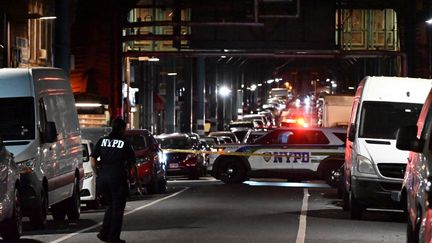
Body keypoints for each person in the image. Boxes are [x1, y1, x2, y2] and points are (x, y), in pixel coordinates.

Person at [90, 117, 142, 243]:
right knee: (118, 209)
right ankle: (113, 238)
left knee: (111, 206)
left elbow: (92, 159)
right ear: (122, 129)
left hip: (103, 178)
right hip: (117, 178)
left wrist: (97, 174)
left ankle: (103, 233)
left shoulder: (102, 140)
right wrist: (137, 182)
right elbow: (132, 164)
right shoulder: (125, 143)